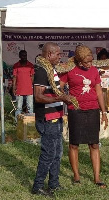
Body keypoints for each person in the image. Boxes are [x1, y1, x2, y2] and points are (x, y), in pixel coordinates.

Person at [59, 45, 108, 188]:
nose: (90, 64)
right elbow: (60, 86)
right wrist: (65, 96)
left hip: (92, 110)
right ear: (79, 61)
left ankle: (97, 178)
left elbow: (99, 92)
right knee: (74, 144)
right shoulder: (69, 69)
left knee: (94, 144)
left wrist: (104, 112)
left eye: (91, 61)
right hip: (75, 110)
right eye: (87, 62)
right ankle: (76, 175)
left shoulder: (94, 71)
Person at [32, 42, 72, 197]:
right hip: (47, 118)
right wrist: (60, 97)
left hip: (56, 116)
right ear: (49, 54)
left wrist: (63, 98)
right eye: (58, 54)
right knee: (48, 153)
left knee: (57, 153)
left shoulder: (52, 70)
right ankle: (38, 186)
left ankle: (54, 184)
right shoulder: (42, 70)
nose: (60, 57)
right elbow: (38, 96)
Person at [12, 50, 34, 123]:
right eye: (22, 55)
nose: (24, 57)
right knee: (18, 108)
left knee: (30, 107)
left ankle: (30, 122)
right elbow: (14, 77)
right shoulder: (16, 65)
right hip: (19, 89)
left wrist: (32, 86)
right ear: (19, 56)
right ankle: (17, 122)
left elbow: (32, 77)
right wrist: (14, 87)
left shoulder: (30, 65)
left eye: (25, 55)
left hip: (29, 89)